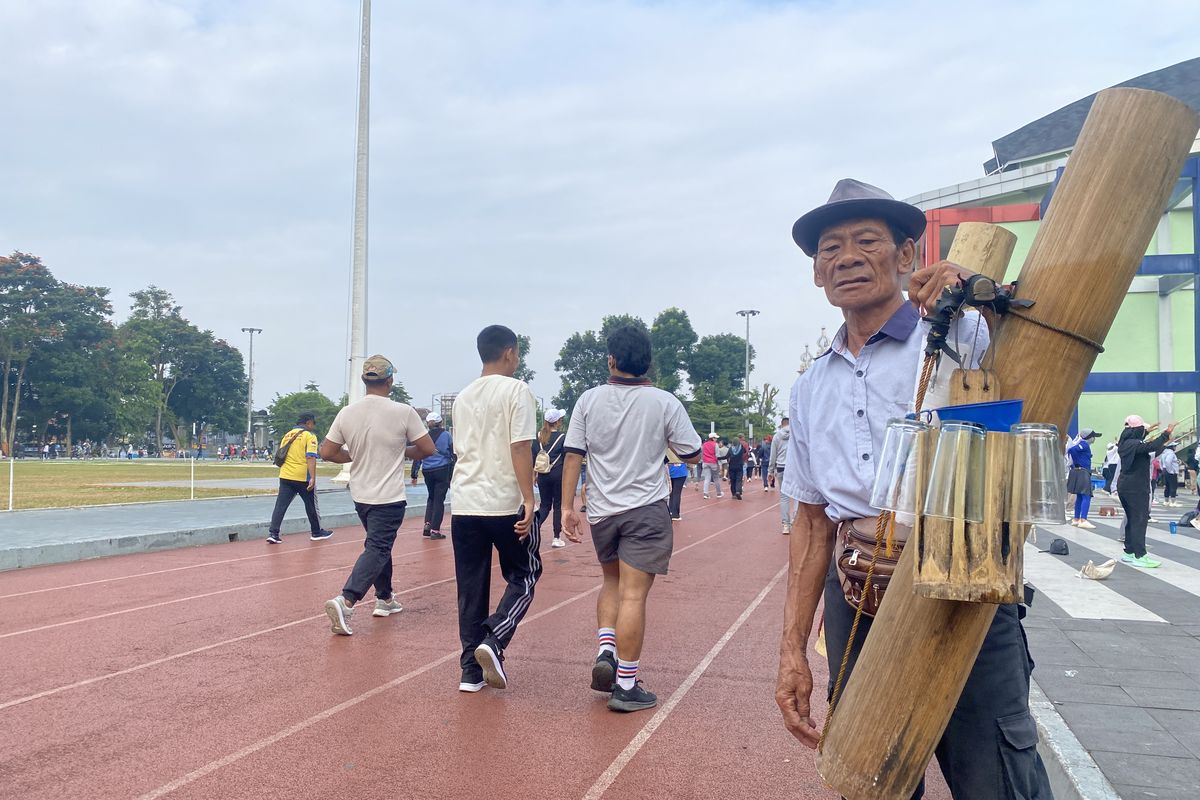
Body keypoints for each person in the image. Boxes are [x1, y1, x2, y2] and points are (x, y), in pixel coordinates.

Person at [775, 178, 1052, 799]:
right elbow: (813, 524)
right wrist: (792, 652)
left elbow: (1048, 347)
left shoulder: (968, 338)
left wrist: (986, 298)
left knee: (996, 775)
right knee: (866, 778)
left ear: (906, 256)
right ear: (818, 274)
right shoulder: (810, 386)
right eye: (829, 249)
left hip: (962, 584)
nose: (845, 257)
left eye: (866, 241)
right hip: (857, 590)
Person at [562, 325, 702, 713]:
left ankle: (606, 650)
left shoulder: (588, 400)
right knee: (634, 594)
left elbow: (573, 454)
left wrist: (566, 509)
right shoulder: (664, 402)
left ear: (611, 360)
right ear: (648, 361)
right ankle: (625, 684)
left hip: (603, 511)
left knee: (611, 581)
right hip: (645, 510)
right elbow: (693, 454)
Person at [449, 325, 540, 693]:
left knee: (471, 587)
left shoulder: (463, 396)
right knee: (526, 574)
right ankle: (495, 638)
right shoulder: (517, 391)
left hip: (465, 502)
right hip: (504, 503)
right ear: (508, 353)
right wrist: (529, 498)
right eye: (517, 354)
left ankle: (470, 672)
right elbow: (520, 448)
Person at [320, 355, 435, 635]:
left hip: (361, 494)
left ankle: (384, 598)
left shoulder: (347, 413)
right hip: (389, 496)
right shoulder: (403, 411)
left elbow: (326, 452)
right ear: (390, 381)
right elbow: (428, 448)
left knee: (378, 545)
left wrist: (354, 454)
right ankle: (346, 600)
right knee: (378, 548)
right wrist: (402, 451)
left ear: (364, 381)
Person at [265, 412, 333, 544]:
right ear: (308, 422)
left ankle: (273, 533)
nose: (313, 426)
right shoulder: (309, 436)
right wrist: (312, 477)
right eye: (313, 423)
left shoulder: (287, 435)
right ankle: (316, 531)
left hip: (285, 475)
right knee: (311, 505)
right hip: (302, 477)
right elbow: (310, 456)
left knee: (280, 505)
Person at [1117, 415, 1174, 568]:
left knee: (1131, 519)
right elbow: (1150, 447)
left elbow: (1142, 443)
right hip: (1136, 488)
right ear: (1137, 431)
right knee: (1139, 521)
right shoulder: (1136, 445)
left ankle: (1129, 552)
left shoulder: (1124, 443)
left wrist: (1146, 431)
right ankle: (1140, 555)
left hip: (1125, 486)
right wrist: (1166, 433)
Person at [412, 412, 454, 540]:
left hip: (427, 470)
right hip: (442, 469)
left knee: (431, 497)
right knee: (439, 500)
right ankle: (435, 530)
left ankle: (427, 524)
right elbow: (452, 453)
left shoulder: (424, 437)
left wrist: (414, 474)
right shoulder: (446, 435)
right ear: (441, 423)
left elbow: (418, 455)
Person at [533, 408, 568, 548]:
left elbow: (533, 458)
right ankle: (556, 537)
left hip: (542, 475)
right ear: (557, 422)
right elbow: (566, 459)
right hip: (557, 474)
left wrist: (534, 476)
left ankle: (534, 529)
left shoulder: (538, 437)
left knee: (545, 505)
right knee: (558, 505)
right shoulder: (562, 437)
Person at [1066, 428, 1100, 529]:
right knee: (1086, 496)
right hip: (1083, 472)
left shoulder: (1081, 444)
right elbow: (1072, 450)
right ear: (1089, 437)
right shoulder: (1084, 444)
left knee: (1080, 497)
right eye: (1093, 437)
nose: (1094, 439)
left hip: (1076, 471)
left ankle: (1076, 518)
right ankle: (1083, 519)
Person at [768, 418, 794, 534]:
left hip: (781, 467)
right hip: (794, 467)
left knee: (784, 497)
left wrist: (770, 471)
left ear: (781, 425)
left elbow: (773, 454)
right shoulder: (796, 433)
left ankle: (785, 525)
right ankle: (795, 521)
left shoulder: (777, 436)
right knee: (798, 496)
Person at [666, 450, 689, 521]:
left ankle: (670, 510)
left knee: (671, 492)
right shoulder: (680, 446)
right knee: (677, 493)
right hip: (680, 468)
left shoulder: (667, 446)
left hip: (669, 467)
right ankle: (675, 514)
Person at [701, 433, 722, 498]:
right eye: (715, 438)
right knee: (716, 478)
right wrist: (720, 464)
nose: (716, 439)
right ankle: (719, 493)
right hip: (713, 462)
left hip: (705, 462)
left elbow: (702, 453)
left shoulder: (704, 445)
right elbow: (717, 455)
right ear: (712, 438)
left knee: (707, 478)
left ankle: (705, 493)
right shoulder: (715, 444)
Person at [1161, 442, 1181, 507]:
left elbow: (1161, 462)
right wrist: (1171, 470)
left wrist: (1163, 468)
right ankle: (1173, 502)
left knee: (1167, 486)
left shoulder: (1164, 452)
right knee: (1173, 486)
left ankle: (1166, 501)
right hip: (1171, 472)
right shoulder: (1171, 453)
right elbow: (1168, 461)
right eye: (1174, 446)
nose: (1175, 447)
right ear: (1171, 447)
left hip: (1165, 470)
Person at [727, 435, 747, 500]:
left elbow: (726, 456)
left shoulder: (730, 449)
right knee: (739, 479)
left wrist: (718, 458)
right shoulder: (741, 448)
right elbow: (745, 452)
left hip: (732, 466)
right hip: (739, 466)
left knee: (733, 480)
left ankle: (733, 493)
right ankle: (738, 491)